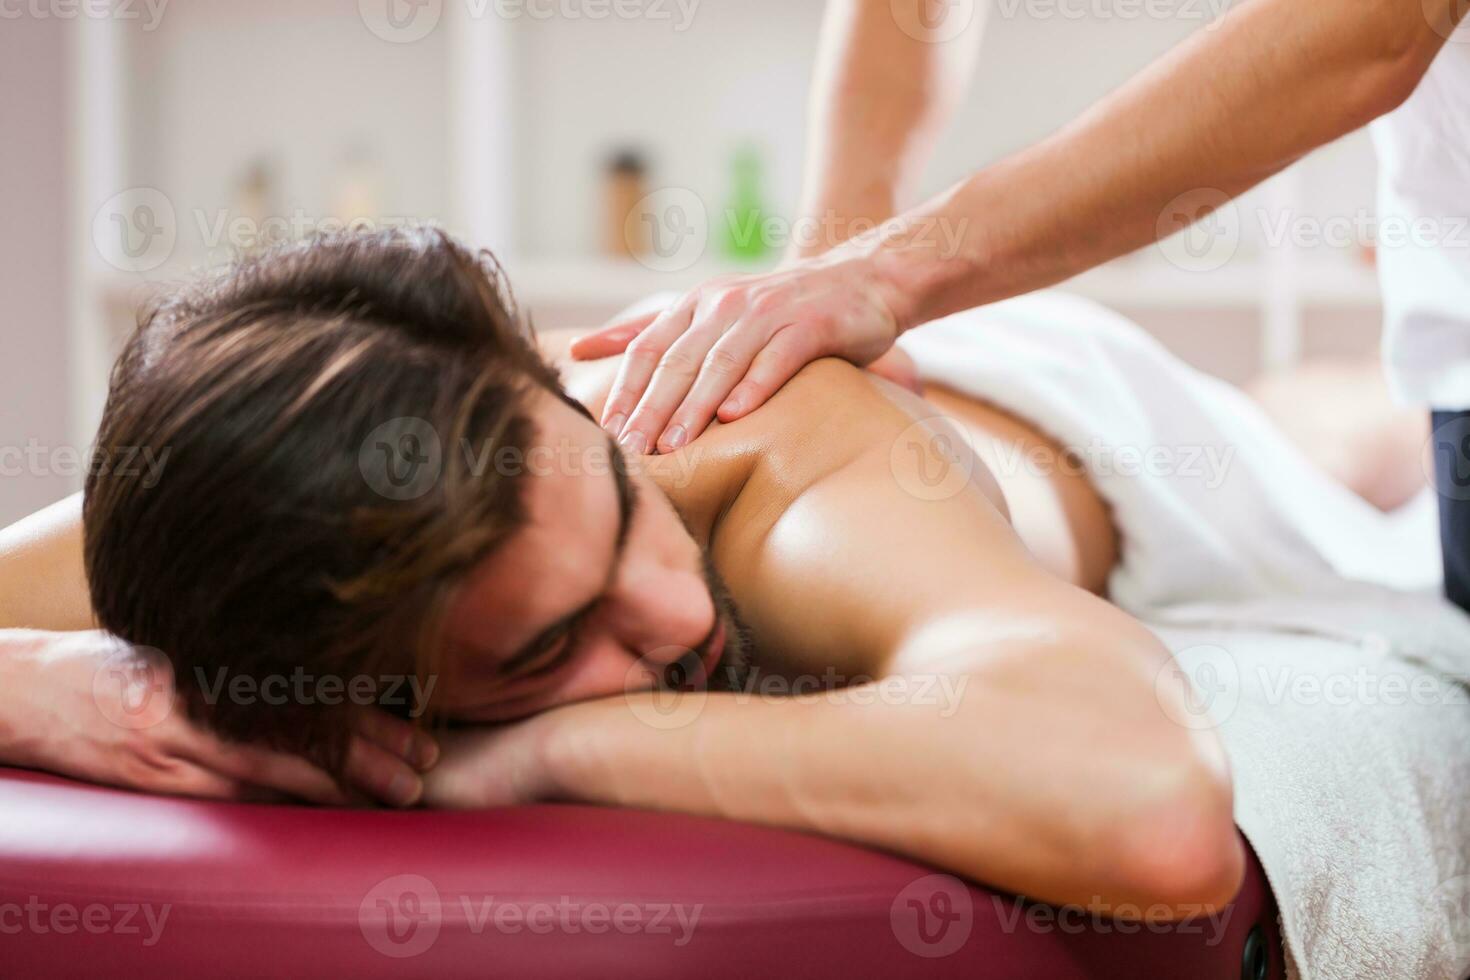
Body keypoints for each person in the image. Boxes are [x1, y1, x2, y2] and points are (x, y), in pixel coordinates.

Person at [0, 228, 1243, 917]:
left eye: (616, 498)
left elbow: (1157, 811)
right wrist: (43, 682)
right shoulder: (255, 491)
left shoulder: (784, 492)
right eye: (546, 648)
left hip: (1103, 422)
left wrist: (545, 748)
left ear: (550, 386)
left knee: (1338, 441)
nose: (680, 608)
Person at [573, 0, 1470, 606]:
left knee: (1317, 441)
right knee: (1302, 429)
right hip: (1017, 370)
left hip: (1043, 387)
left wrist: (881, 273)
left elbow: (1377, 27)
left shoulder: (841, 550)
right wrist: (825, 266)